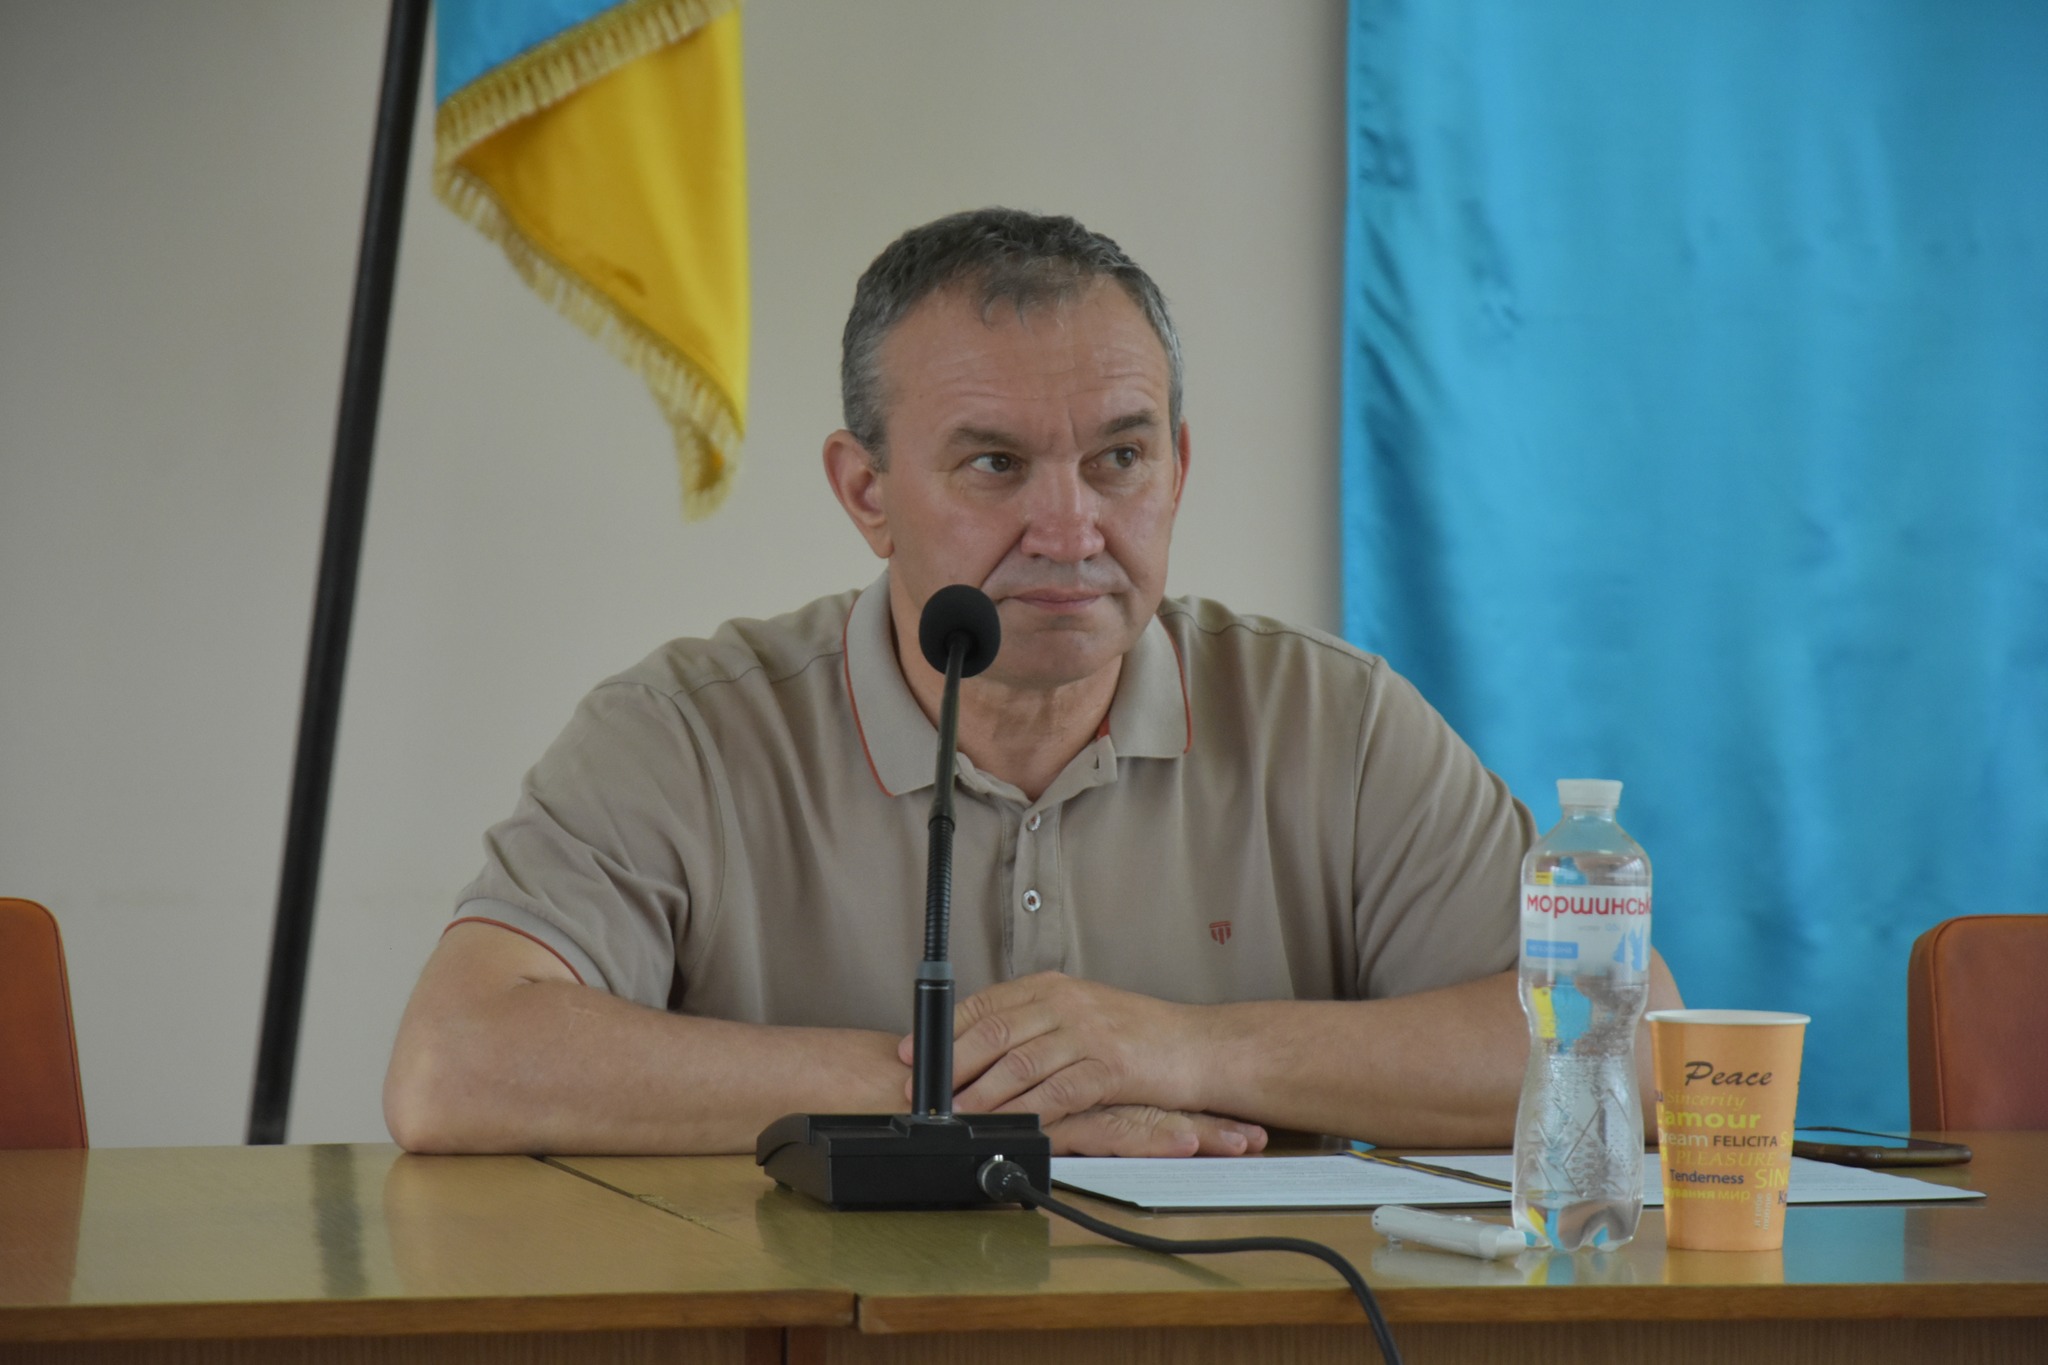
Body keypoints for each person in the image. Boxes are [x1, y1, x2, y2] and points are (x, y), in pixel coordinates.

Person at [384, 208, 1679, 1157]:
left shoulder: (1330, 721)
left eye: (1119, 458)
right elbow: (456, 1063)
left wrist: (1179, 1049)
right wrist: (959, 1091)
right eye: (996, 465)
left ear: (1177, 469)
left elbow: (1631, 1048)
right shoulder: (685, 732)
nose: (1071, 529)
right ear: (866, 491)